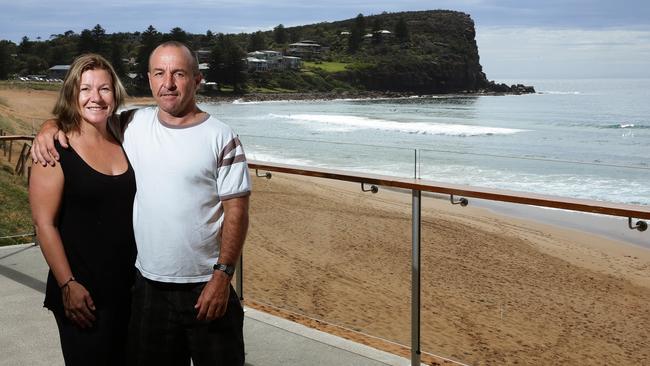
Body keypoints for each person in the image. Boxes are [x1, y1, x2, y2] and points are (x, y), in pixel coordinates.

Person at [32, 41, 251, 366]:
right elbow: (82, 118)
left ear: (197, 79)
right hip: (146, 288)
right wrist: (48, 128)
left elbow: (237, 210)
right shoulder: (134, 125)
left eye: (179, 73)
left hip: (203, 285)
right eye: (160, 73)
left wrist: (222, 276)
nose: (169, 83)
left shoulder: (220, 135)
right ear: (149, 78)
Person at [29, 54, 136, 365]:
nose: (95, 97)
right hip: (83, 292)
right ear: (71, 94)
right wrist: (68, 284)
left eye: (104, 88)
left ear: (115, 93)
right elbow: (43, 223)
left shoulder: (124, 133)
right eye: (85, 89)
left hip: (129, 289)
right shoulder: (54, 149)